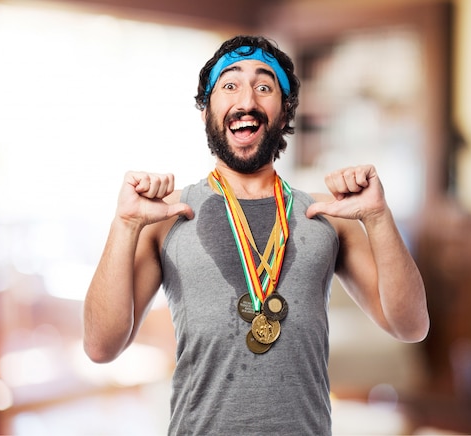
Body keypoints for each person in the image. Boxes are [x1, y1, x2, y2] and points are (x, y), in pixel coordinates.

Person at [83, 34, 429, 435]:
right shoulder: (166, 215)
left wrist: (378, 215)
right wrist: (124, 225)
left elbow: (411, 326)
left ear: (283, 113)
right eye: (229, 85)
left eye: (264, 86)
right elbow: (100, 347)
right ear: (206, 111)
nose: (246, 100)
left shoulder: (329, 215)